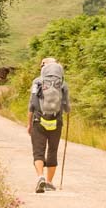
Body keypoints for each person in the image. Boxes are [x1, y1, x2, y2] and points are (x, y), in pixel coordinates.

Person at [27, 57, 70, 193]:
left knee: (38, 151)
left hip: (38, 121)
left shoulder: (37, 82)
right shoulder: (62, 84)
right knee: (52, 150)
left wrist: (29, 124)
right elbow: (67, 106)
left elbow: (32, 105)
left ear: (44, 67)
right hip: (56, 122)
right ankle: (49, 182)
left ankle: (40, 177)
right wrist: (66, 113)